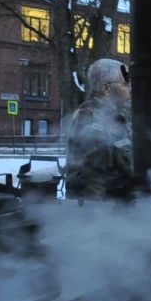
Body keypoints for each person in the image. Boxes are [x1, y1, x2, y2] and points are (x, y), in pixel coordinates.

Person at [64, 58, 133, 200]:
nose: (130, 90)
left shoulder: (113, 115)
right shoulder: (91, 119)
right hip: (100, 210)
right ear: (106, 88)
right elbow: (94, 177)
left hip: (112, 206)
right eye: (126, 85)